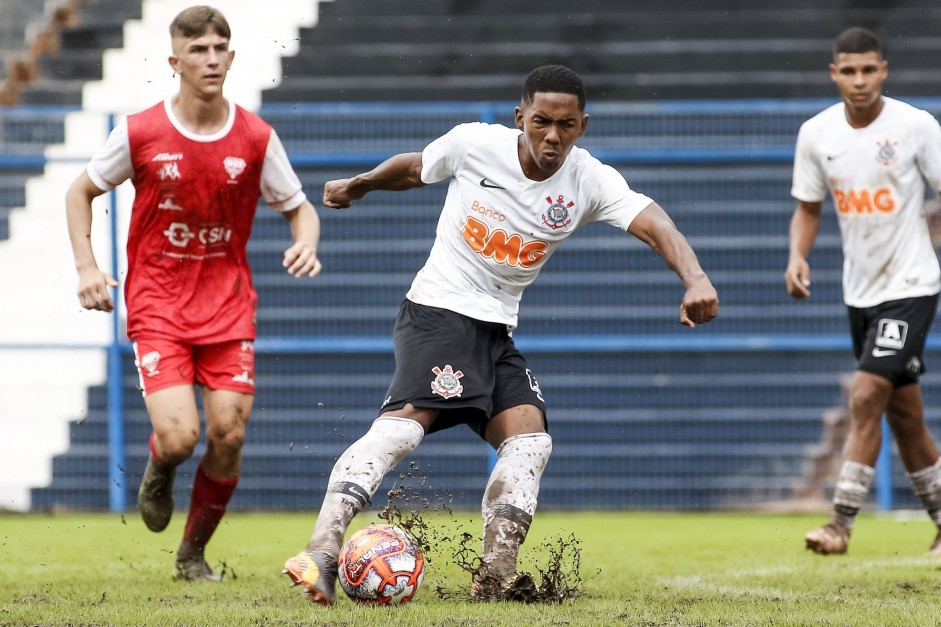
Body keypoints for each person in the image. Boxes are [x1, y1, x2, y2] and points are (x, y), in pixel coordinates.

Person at [282, 64, 718, 604]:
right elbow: (417, 167)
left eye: (565, 125)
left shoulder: (589, 179)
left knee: (529, 439)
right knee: (403, 429)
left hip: (494, 329)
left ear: (583, 125)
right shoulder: (475, 145)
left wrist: (695, 277)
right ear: (521, 117)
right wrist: (362, 184)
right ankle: (321, 552)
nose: (552, 136)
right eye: (540, 122)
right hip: (438, 310)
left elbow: (656, 225)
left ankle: (494, 579)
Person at [65, 5, 322, 581]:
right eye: (198, 50)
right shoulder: (140, 132)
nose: (210, 59)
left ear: (231, 57)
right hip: (158, 302)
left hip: (228, 307)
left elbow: (299, 207)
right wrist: (87, 266)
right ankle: (161, 468)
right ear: (174, 60)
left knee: (228, 434)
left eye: (218, 49)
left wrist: (305, 240)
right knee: (181, 436)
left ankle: (192, 556)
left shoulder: (255, 137)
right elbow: (78, 192)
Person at [786, 26, 941, 555]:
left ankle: (839, 523)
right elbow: (808, 208)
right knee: (904, 415)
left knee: (868, 391)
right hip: (861, 293)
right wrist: (797, 255)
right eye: (848, 71)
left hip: (912, 283)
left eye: (868, 69)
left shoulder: (916, 126)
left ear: (884, 70)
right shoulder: (817, 134)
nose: (859, 80)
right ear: (834, 73)